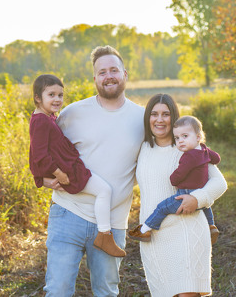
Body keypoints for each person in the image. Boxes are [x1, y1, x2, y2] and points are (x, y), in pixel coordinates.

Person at [41, 47, 145, 296]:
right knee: (57, 290)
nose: (108, 76)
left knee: (106, 291)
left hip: (113, 222)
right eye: (102, 72)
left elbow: (164, 154)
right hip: (68, 214)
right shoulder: (72, 114)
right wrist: (42, 178)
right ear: (95, 78)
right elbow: (42, 148)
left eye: (113, 70)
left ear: (125, 74)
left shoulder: (142, 118)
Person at [135, 94, 227, 297]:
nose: (159, 119)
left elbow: (220, 183)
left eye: (166, 114)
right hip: (154, 236)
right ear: (147, 118)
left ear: (174, 117)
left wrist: (198, 198)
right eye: (154, 114)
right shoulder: (142, 149)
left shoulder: (188, 148)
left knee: (187, 294)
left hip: (186, 231)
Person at [29, 74, 126, 258]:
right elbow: (38, 154)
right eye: (51, 95)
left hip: (69, 168)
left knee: (103, 190)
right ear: (37, 97)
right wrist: (59, 174)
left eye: (60, 95)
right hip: (68, 172)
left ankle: (103, 236)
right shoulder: (41, 121)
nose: (57, 99)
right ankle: (104, 236)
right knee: (104, 191)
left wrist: (41, 179)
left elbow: (37, 150)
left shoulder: (47, 117)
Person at [129, 115, 220, 244]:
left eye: (185, 136)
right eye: (177, 138)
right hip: (200, 192)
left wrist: (173, 179)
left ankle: (144, 231)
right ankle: (211, 226)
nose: (180, 141)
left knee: (162, 208)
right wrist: (208, 153)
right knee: (206, 205)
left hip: (186, 194)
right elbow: (216, 159)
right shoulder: (204, 150)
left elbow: (178, 176)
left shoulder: (188, 156)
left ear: (198, 137)